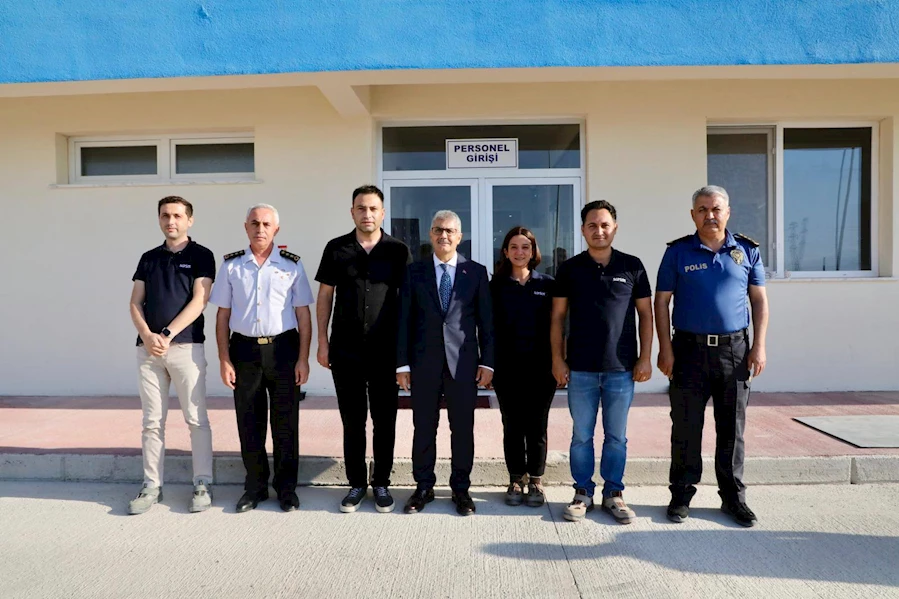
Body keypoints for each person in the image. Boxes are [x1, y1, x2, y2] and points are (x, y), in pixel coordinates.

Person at [654, 185, 769, 528]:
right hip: (688, 350)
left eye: (716, 209)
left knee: (732, 428)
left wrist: (759, 346)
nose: (710, 215)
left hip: (734, 351)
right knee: (686, 425)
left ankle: (733, 498)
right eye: (702, 210)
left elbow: (759, 301)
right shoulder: (678, 252)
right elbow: (661, 302)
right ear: (693, 215)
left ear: (727, 212)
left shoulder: (747, 250)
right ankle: (681, 494)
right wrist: (665, 348)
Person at [551, 200, 653, 525]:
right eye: (592, 225)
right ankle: (582, 492)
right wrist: (557, 359)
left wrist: (645, 358)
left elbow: (646, 315)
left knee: (616, 437)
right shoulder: (569, 269)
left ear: (615, 228)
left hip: (621, 369)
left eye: (605, 225)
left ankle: (614, 493)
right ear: (583, 230)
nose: (599, 231)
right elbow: (557, 318)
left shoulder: (632, 266)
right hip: (580, 368)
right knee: (581, 436)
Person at [210, 203, 314, 513]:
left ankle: (286, 489)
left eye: (267, 224)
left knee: (285, 423)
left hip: (283, 350)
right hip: (244, 351)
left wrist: (303, 358)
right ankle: (254, 487)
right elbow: (222, 317)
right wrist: (224, 359)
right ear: (246, 227)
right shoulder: (231, 266)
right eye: (254, 223)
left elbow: (303, 315)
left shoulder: (292, 265)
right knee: (249, 422)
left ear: (276, 229)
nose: (260, 229)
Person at [315, 185, 412, 514]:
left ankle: (381, 482)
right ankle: (356, 483)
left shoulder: (398, 251)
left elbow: (407, 303)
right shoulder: (336, 248)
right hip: (346, 350)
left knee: (385, 421)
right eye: (361, 208)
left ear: (382, 213)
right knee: (352, 421)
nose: (367, 214)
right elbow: (325, 296)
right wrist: (322, 342)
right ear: (352, 212)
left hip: (386, 352)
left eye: (373, 209)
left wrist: (405, 355)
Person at [396, 210, 495, 516]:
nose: (444, 235)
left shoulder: (475, 272)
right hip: (423, 365)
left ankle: (461, 489)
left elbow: (487, 323)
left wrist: (488, 363)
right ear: (430, 234)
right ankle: (423, 487)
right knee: (424, 428)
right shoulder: (414, 272)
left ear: (459, 237)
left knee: (462, 429)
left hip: (463, 366)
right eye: (438, 230)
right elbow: (404, 320)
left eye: (450, 231)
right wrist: (402, 365)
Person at [128, 196, 215, 515]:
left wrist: (166, 334)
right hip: (148, 352)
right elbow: (135, 302)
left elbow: (199, 301)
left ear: (189, 220)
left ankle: (202, 483)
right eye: (165, 215)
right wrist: (147, 335)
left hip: (186, 348)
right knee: (152, 422)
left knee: (196, 419)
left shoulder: (202, 255)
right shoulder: (148, 258)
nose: (171, 221)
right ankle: (151, 485)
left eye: (178, 216)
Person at [489, 226, 556, 507]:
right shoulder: (495, 286)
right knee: (512, 425)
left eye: (525, 247)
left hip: (542, 368)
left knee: (537, 425)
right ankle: (516, 478)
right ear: (505, 252)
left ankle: (536, 480)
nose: (519, 252)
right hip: (507, 368)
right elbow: (488, 329)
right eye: (514, 247)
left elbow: (558, 326)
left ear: (533, 251)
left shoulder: (548, 284)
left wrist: (560, 361)